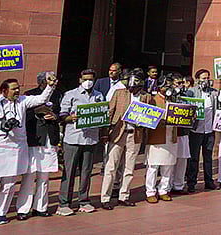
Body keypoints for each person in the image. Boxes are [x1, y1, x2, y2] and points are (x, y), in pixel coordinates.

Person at [0, 69, 56, 226]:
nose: (17, 91)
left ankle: (2, 213)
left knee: (9, 185)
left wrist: (50, 86)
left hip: (15, 149)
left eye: (18, 88)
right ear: (4, 90)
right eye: (13, 88)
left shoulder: (23, 101)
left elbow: (41, 99)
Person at [58, 68, 104, 215]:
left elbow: (102, 114)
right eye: (85, 80)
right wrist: (70, 118)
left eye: (90, 79)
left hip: (90, 138)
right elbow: (62, 115)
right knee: (69, 171)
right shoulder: (71, 95)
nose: (88, 82)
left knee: (86, 171)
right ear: (80, 80)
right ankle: (64, 203)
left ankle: (84, 200)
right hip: (73, 138)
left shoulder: (99, 95)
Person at [15, 72, 60, 220]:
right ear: (41, 82)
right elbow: (23, 116)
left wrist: (54, 117)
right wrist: (36, 112)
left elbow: (60, 113)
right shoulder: (29, 95)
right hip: (34, 139)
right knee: (29, 176)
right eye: (48, 80)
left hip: (49, 139)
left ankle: (40, 207)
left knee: (44, 177)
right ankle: (23, 209)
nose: (51, 82)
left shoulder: (57, 95)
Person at [100, 68, 146, 209]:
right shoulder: (119, 93)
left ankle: (124, 195)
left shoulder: (146, 96)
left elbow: (150, 116)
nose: (132, 85)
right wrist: (105, 132)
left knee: (129, 168)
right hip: (118, 133)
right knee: (111, 166)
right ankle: (105, 197)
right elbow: (110, 112)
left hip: (134, 134)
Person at [184, 68, 219, 193]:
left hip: (209, 130)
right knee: (194, 158)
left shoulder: (214, 93)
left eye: (208, 78)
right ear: (198, 79)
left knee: (208, 157)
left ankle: (209, 182)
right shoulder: (191, 92)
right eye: (204, 78)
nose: (206, 80)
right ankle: (191, 183)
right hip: (196, 131)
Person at [143, 79, 177, 203]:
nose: (168, 88)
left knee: (168, 166)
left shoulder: (174, 100)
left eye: (170, 85)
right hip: (157, 137)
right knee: (153, 166)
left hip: (171, 136)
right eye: (166, 86)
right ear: (159, 87)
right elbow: (147, 117)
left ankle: (163, 189)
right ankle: (150, 191)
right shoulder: (153, 100)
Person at [170, 76, 192, 195]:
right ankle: (167, 186)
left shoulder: (188, 95)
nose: (181, 85)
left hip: (183, 133)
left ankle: (178, 186)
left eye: (182, 83)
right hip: (171, 133)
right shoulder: (169, 95)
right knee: (170, 161)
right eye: (178, 83)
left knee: (182, 160)